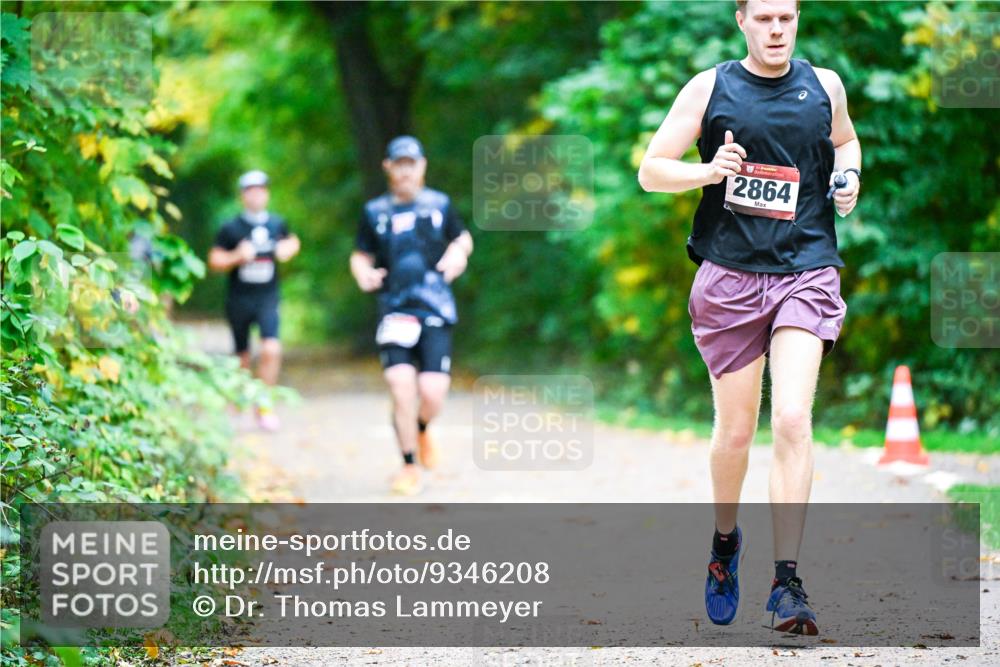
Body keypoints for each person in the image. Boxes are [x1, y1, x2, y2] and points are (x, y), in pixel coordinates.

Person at [637, 0, 861, 635]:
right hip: (730, 277)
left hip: (806, 268)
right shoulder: (711, 88)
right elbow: (651, 171)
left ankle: (787, 583)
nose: (776, 30)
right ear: (741, 20)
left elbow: (846, 142)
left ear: (798, 18)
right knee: (735, 434)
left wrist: (848, 177)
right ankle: (725, 541)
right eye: (764, 18)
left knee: (791, 417)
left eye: (786, 17)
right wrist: (709, 171)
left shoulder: (825, 86)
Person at [350, 136, 473, 495]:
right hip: (395, 309)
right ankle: (408, 465)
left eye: (412, 163)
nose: (405, 170)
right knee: (400, 386)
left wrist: (458, 253)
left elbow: (462, 238)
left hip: (435, 306)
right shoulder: (374, 211)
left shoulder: (440, 204)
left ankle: (420, 429)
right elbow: (360, 254)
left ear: (422, 166)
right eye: (399, 164)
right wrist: (363, 272)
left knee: (432, 393)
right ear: (388, 167)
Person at [209, 170, 300, 431]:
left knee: (271, 349)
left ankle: (265, 406)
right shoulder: (230, 228)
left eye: (261, 190)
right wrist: (237, 256)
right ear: (242, 195)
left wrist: (286, 250)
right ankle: (240, 402)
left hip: (267, 297)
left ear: (267, 194)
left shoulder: (277, 223)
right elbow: (214, 260)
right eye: (250, 191)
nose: (256, 195)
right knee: (242, 357)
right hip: (239, 298)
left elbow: (293, 241)